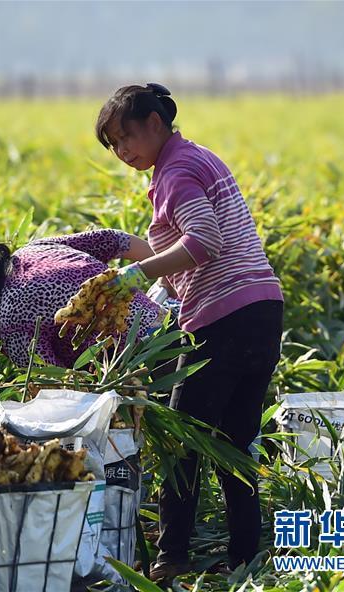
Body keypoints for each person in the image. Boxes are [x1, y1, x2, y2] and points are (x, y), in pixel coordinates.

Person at [73, 83, 283, 582]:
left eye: (126, 138)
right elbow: (187, 261)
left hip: (225, 319)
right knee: (233, 440)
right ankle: (244, 555)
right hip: (262, 310)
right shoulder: (195, 158)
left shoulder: (177, 171)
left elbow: (203, 239)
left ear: (154, 122)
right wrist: (156, 297)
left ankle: (171, 558)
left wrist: (135, 276)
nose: (123, 152)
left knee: (181, 442)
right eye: (114, 146)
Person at [0, 230, 166, 369]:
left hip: (144, 367)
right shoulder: (35, 249)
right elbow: (115, 239)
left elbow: (56, 386)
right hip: (168, 326)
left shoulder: (11, 318)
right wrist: (172, 272)